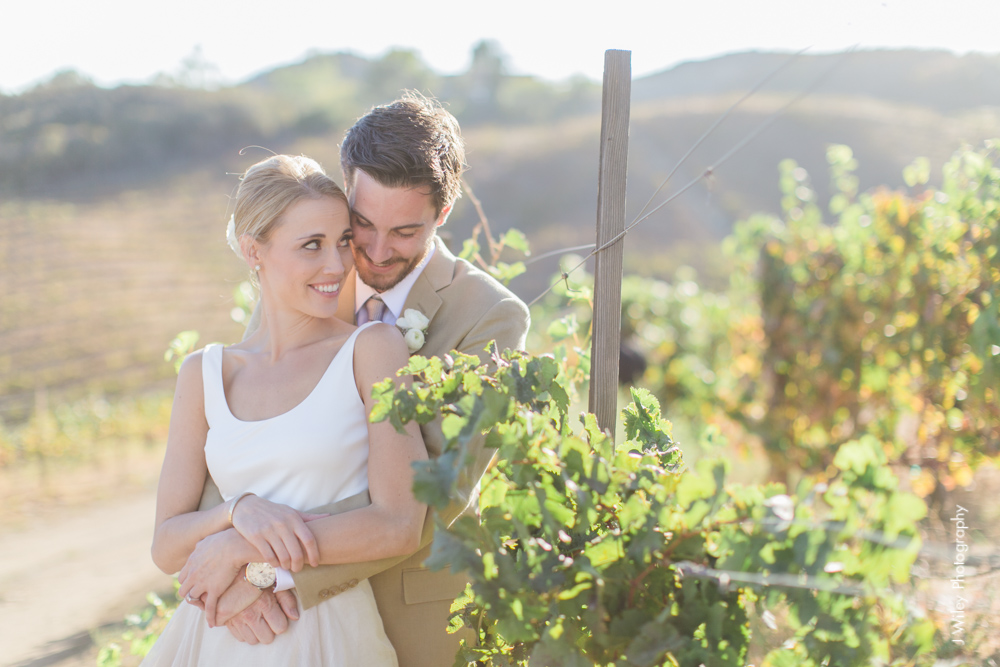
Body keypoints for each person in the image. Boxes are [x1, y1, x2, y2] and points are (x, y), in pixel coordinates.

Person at [200, 94, 531, 667]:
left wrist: (264, 565)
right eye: (363, 224)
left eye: (405, 232)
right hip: (270, 626)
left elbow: (438, 494)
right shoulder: (309, 278)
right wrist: (229, 537)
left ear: (443, 214)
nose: (376, 252)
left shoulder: (491, 318)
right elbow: (237, 434)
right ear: (345, 190)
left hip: (409, 614)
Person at [141, 154, 427, 666]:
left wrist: (242, 551)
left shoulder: (373, 351)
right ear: (255, 251)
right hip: (215, 639)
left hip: (329, 636)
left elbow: (398, 523)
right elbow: (166, 546)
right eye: (310, 246)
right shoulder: (205, 374)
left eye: (342, 240)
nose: (337, 266)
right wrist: (237, 512)